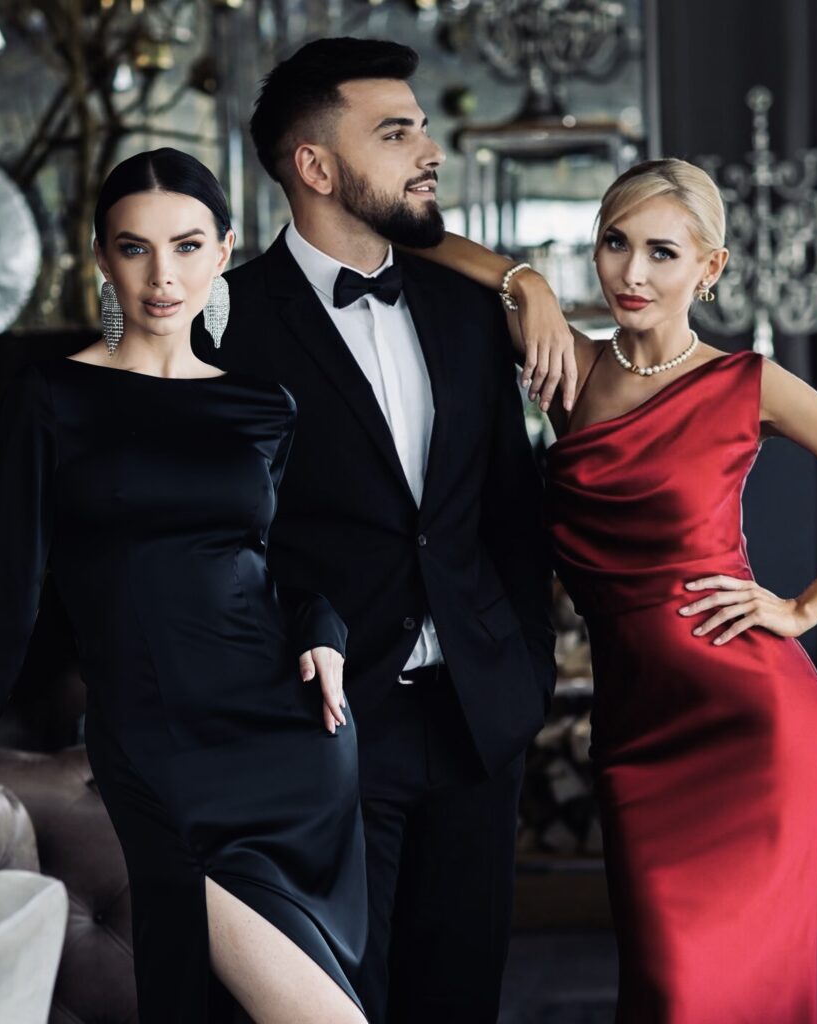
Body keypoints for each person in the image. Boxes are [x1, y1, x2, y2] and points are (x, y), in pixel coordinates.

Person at [414, 158, 817, 1023]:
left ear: (710, 267)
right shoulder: (571, 370)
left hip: (752, 724)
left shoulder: (748, 383)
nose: (631, 272)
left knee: (719, 993)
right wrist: (526, 282)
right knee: (665, 989)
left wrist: (800, 609)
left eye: (662, 252)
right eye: (614, 243)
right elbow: (418, 240)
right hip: (635, 733)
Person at [191, 37, 557, 1024]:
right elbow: (218, 544)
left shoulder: (471, 310)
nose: (428, 151)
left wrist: (524, 671)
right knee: (348, 1003)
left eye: (423, 128)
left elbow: (508, 510)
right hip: (326, 727)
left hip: (477, 716)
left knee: (464, 997)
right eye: (395, 134)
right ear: (314, 165)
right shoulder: (224, 326)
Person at [0, 148, 370, 1024]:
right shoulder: (50, 397)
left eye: (188, 246)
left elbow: (293, 562)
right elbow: (5, 596)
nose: (163, 276)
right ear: (100, 256)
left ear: (224, 250)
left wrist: (324, 630)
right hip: (156, 740)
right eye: (135, 248)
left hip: (288, 738)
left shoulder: (264, 404)